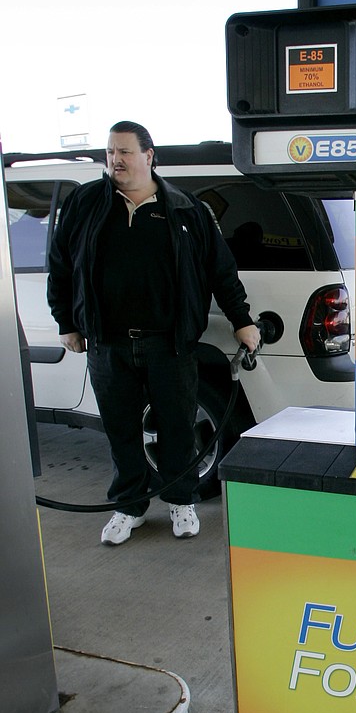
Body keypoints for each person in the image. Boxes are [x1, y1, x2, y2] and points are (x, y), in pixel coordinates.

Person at [47, 121, 262, 545]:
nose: (116, 160)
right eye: (110, 152)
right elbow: (61, 264)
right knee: (121, 430)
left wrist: (243, 319)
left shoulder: (186, 209)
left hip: (170, 343)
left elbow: (220, 271)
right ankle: (130, 508)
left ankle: (181, 502)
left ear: (149, 156)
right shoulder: (86, 204)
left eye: (125, 151)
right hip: (108, 344)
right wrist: (66, 322)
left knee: (177, 427)